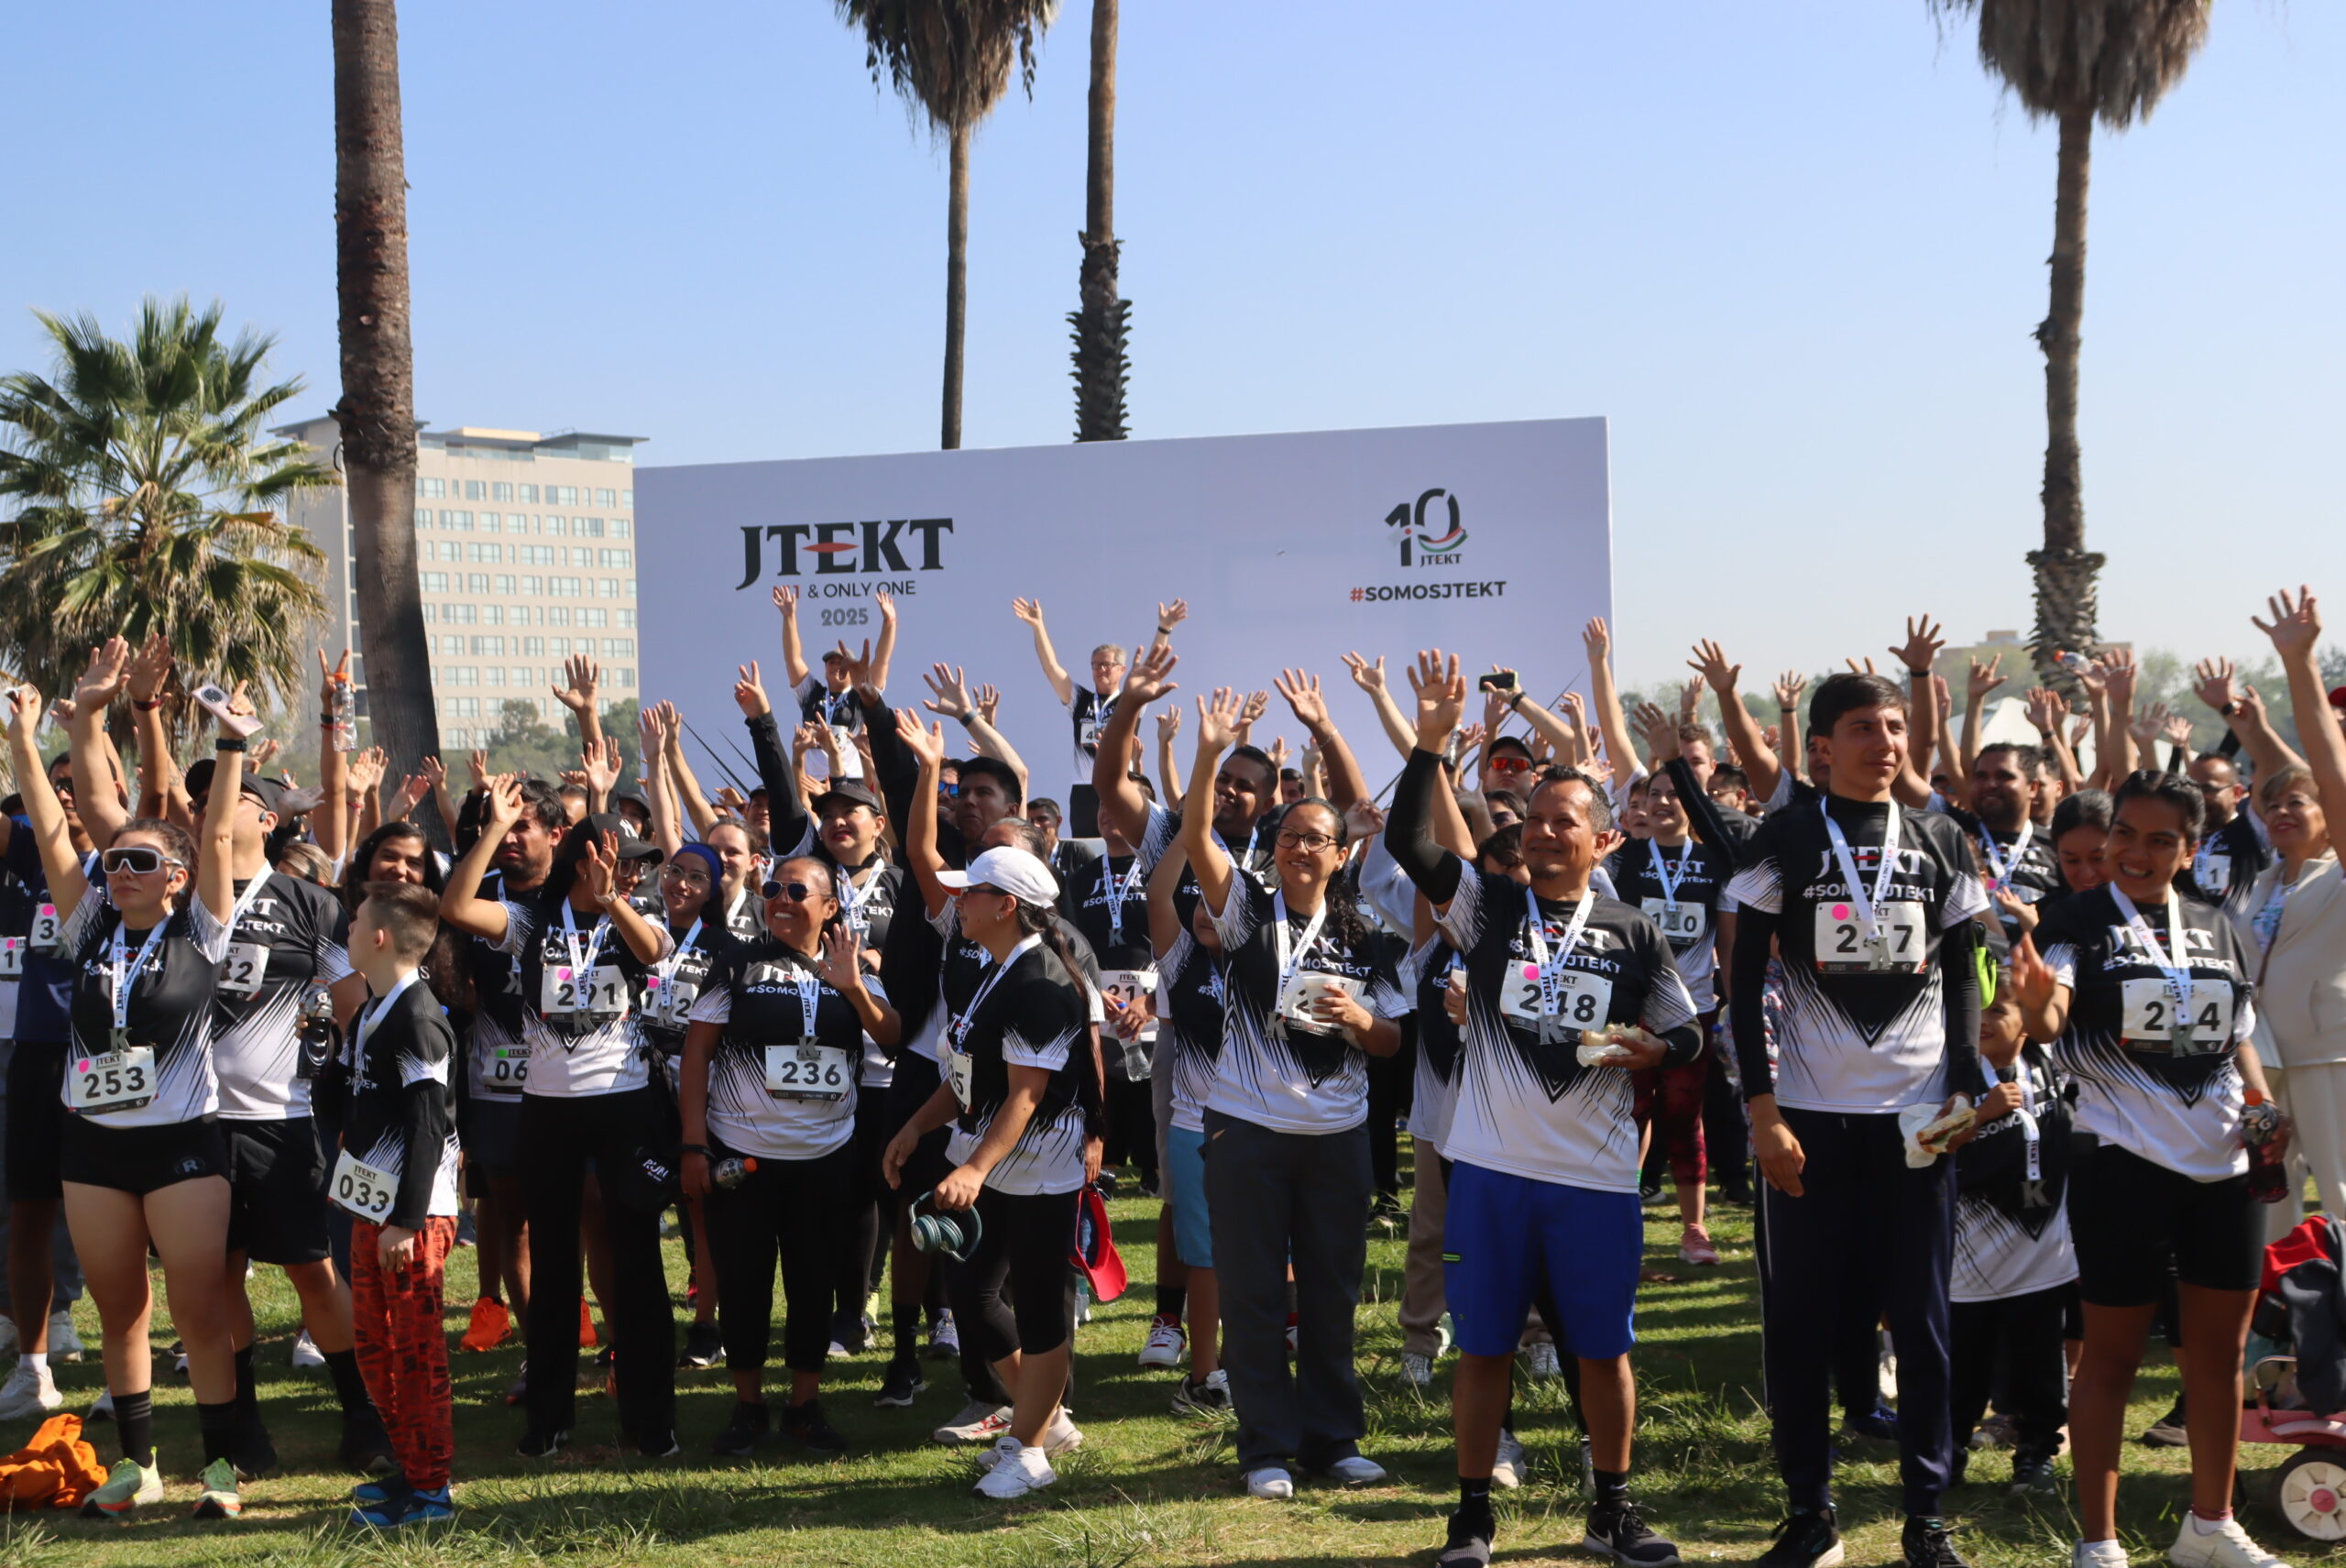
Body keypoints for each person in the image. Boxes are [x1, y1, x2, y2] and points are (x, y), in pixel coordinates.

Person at [1387, 654, 1701, 1568]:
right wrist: (1431, 744)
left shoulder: (1633, 931)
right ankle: (1472, 1516)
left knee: (1602, 1351)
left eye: (1565, 821)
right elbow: (1408, 840)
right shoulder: (1487, 907)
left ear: (1603, 840)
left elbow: (1687, 1031)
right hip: (1491, 1171)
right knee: (1484, 1348)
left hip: (1594, 1180)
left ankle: (1612, 1510)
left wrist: (1655, 1050)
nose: (1544, 832)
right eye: (1534, 819)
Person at [1722, 668, 1987, 1568]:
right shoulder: (1784, 836)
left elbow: (1965, 975)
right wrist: (1761, 1108)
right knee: (1799, 1321)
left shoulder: (1941, 836)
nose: (1885, 742)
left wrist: (1964, 1084)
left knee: (1922, 1324)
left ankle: (1925, 1518)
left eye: (1895, 726)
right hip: (1807, 1118)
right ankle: (1810, 1513)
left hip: (1916, 1122)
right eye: (1865, 728)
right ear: (1822, 745)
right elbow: (1742, 980)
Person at [2012, 765, 2288, 1568]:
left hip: (2224, 1169)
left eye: (2160, 839)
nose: (2135, 852)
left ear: (2189, 849)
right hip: (2121, 1162)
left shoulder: (2219, 923)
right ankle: (2098, 1541)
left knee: (2220, 1357)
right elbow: (2051, 1016)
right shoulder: (2074, 918)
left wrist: (2264, 1105)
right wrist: (2034, 1002)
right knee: (2112, 1356)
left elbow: (2239, 1036)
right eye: (2124, 833)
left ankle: (2210, 1526)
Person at [5, 668, 249, 1519]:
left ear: (176, 875)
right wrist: (24, 736)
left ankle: (220, 1472)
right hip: (93, 1148)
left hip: (183, 1143)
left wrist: (230, 743)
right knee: (121, 1313)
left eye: (140, 861)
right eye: (113, 861)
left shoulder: (202, 930)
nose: (121, 871)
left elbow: (217, 831)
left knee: (200, 1311)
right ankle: (137, 1466)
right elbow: (49, 827)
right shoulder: (89, 927)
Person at [1181, 682, 1405, 1501]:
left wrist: (1359, 1019)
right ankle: (1266, 1447)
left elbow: (1393, 1041)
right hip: (1247, 1128)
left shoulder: (1368, 933)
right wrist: (1209, 751)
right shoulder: (1245, 912)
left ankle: (1333, 1440)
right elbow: (1197, 835)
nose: (1299, 848)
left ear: (1342, 853)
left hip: (1338, 1135)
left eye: (1316, 838)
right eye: (1288, 837)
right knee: (1251, 1294)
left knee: (1331, 1293)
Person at [441, 778, 680, 1459]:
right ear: (584, 857)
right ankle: (548, 1421)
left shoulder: (635, 913)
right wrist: (495, 827)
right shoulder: (530, 919)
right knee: (552, 1266)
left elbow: (653, 953)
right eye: (621, 858)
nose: (633, 870)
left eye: (636, 863)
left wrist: (613, 899)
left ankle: (650, 1422)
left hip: (625, 1103)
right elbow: (457, 906)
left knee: (637, 1263)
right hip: (547, 1110)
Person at [882, 839, 1098, 1501]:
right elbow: (967, 1077)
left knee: (1040, 1311)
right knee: (972, 1293)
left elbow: (1026, 1096)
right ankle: (1045, 1421)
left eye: (969, 891)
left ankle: (1030, 1450)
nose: (957, 900)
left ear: (1005, 905)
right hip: (996, 1161)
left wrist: (972, 1168)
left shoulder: (1041, 983)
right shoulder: (994, 967)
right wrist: (917, 1126)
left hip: (1038, 1169)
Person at [681, 856, 899, 1458]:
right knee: (743, 1282)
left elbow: (892, 1035)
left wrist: (853, 985)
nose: (780, 898)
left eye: (796, 890)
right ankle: (748, 1406)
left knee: (813, 1285)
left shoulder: (853, 962)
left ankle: (804, 1407)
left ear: (830, 906)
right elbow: (697, 1054)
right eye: (773, 887)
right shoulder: (737, 962)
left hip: (825, 1156)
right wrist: (694, 1143)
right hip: (743, 1156)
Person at [337, 882, 465, 1528]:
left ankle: (432, 1490)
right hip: (373, 1206)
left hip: (413, 1215)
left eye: (356, 920)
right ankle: (411, 1467)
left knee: (415, 1354)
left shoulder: (418, 1016)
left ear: (380, 937)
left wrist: (408, 1220)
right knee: (374, 1348)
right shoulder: (371, 1008)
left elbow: (427, 1124)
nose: (348, 929)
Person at [2224, 591, 2346, 1234]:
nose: (2283, 812)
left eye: (2300, 803)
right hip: (2267, 1063)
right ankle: (2282, 1296)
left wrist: (2299, 662)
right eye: (2272, 805)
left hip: (2331, 1057)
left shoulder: (2340, 873)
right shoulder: (2259, 887)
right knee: (2272, 1208)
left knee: (2343, 1195)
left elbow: (2328, 766)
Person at [1946, 980, 2073, 1496]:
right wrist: (1980, 1115)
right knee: (1963, 1370)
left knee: (2040, 1369)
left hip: (2043, 1258)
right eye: (1975, 1008)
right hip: (1970, 1263)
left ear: (2027, 1024)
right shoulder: (1949, 1073)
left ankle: (2036, 1456)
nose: (1982, 1019)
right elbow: (1920, 1145)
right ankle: (1947, 1453)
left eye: (1998, 1009)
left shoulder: (2053, 1066)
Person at [0, 748, 95, 1423]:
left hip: (111, 1057)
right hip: (38, 1052)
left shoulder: (131, 856)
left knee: (123, 1217)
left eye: (79, 782)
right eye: (57, 784)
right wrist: (20, 737)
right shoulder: (37, 858)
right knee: (28, 1208)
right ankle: (32, 1367)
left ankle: (124, 1372)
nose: (65, 794)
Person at [632, 840, 728, 1371]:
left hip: (696, 1087)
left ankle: (707, 1326)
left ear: (712, 890)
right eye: (675, 872)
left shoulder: (725, 946)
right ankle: (635, 1326)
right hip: (635, 1083)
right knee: (633, 1207)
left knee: (700, 1212)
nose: (681, 884)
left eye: (696, 877)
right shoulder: (639, 931)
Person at [1011, 596, 1183, 837]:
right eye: (1095, 665)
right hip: (1084, 789)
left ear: (1122, 670)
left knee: (1127, 843)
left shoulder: (1129, 700)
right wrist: (1038, 626)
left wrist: (1164, 628)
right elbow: (1051, 668)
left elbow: (1150, 669)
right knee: (1087, 848)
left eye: (1107, 665)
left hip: (1121, 781)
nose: (1101, 669)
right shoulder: (1079, 699)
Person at [772, 585, 896, 781]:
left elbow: (882, 660)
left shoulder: (862, 695)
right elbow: (793, 658)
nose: (836, 666)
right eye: (831, 662)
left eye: (842, 663)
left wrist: (890, 622)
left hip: (851, 780)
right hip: (813, 781)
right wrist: (789, 617)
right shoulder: (811, 693)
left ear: (853, 670)